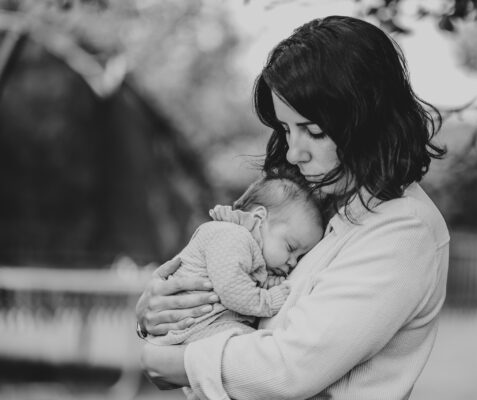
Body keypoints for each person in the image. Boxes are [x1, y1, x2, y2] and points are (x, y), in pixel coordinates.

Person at [137, 15, 450, 400]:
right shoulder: (313, 205)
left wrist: (174, 364)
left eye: (313, 131)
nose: (293, 151)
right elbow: (240, 287)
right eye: (286, 130)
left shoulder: (403, 230)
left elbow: (291, 367)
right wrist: (165, 309)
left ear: (366, 121)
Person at [146, 176, 324, 346]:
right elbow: (232, 289)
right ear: (259, 219)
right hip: (192, 326)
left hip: (204, 324)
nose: (293, 262)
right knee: (260, 346)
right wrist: (270, 299)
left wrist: (269, 283)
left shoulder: (250, 251)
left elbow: (243, 279)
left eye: (300, 257)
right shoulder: (232, 236)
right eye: (291, 248)